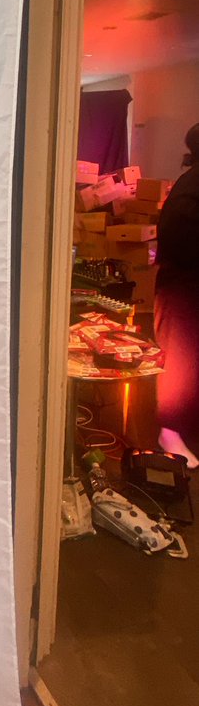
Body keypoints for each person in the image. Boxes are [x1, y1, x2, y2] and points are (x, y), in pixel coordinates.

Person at [155, 123, 199, 468]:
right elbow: (177, 238)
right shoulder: (191, 188)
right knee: (181, 361)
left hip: (187, 282)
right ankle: (169, 432)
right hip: (183, 286)